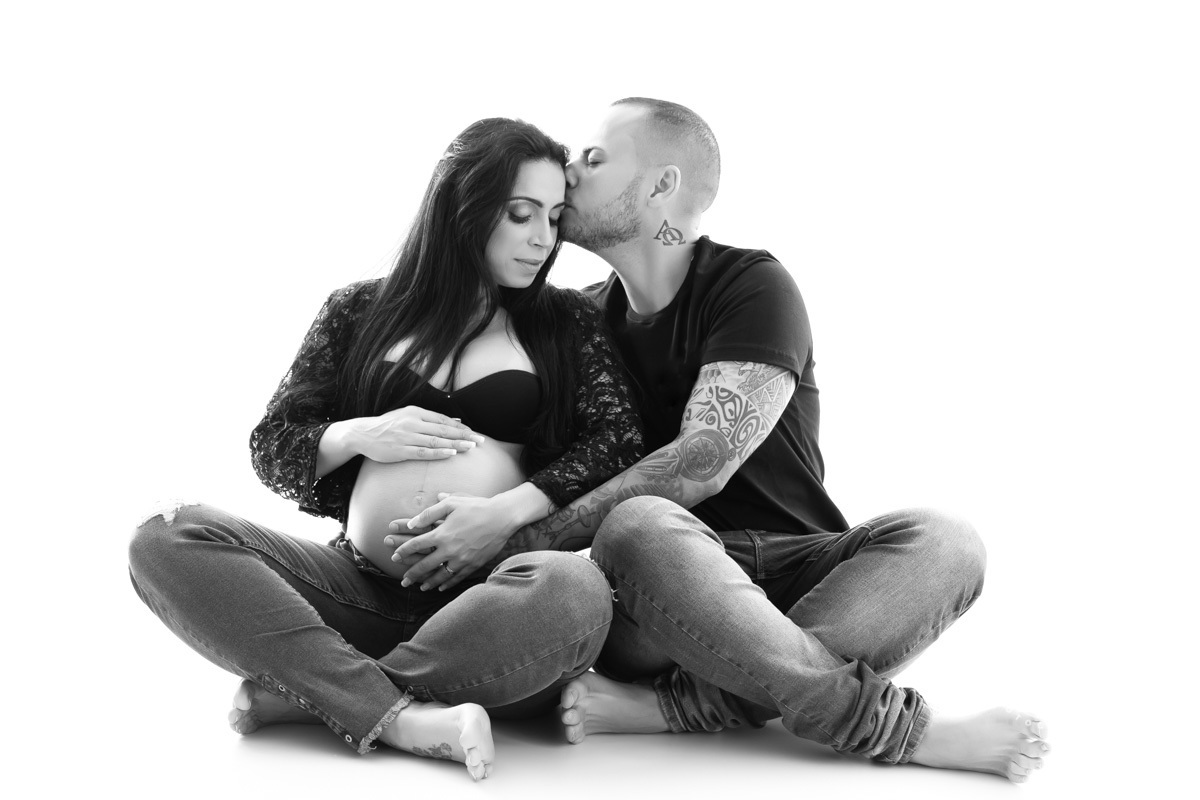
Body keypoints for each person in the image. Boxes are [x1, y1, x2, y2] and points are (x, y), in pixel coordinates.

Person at [396, 99, 1050, 783]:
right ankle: (893, 729)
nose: (569, 167)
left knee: (947, 541)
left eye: (594, 157)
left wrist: (519, 531)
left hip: (803, 572)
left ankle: (686, 705)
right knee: (639, 524)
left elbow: (700, 463)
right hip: (658, 598)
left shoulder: (751, 285)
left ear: (662, 185)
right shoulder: (579, 323)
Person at [127, 117, 643, 781]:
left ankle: (321, 693)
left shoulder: (565, 321)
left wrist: (506, 513)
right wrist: (356, 433)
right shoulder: (356, 310)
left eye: (553, 216)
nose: (543, 238)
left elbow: (619, 442)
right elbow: (273, 444)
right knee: (166, 535)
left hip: (491, 611)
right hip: (356, 593)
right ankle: (396, 712)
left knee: (576, 590)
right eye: (521, 214)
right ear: (464, 206)